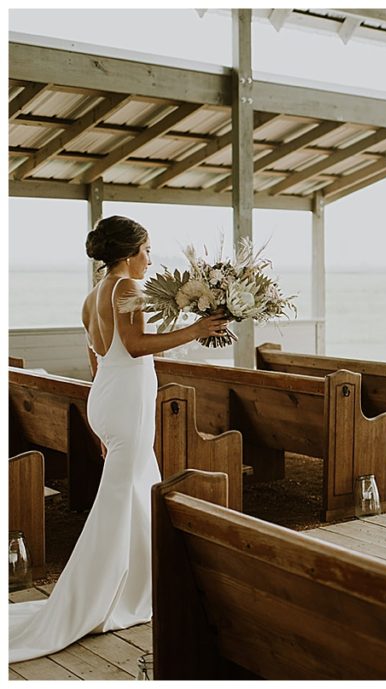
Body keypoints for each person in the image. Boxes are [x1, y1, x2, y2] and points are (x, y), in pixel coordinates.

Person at [9, 216, 230, 662]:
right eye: (147, 249)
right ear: (129, 253)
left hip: (110, 399)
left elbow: (99, 360)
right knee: (120, 500)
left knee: (140, 493)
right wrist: (197, 331)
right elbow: (134, 346)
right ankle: (94, 598)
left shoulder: (92, 297)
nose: (151, 258)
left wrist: (104, 425)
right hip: (124, 402)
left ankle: (141, 586)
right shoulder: (126, 289)